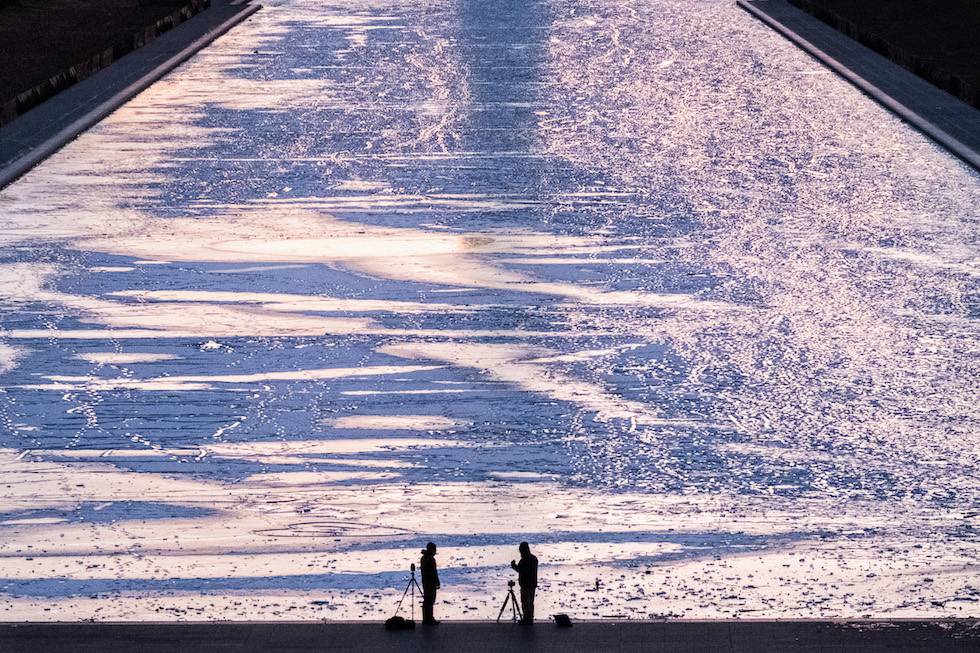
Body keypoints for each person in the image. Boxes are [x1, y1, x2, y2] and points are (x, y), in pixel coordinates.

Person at [510, 541, 538, 624]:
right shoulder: (533, 559)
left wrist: (513, 566)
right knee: (530, 602)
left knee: (525, 602)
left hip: (526, 583)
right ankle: (530, 618)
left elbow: (521, 570)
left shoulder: (525, 560)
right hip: (532, 583)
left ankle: (527, 619)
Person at [420, 542, 440, 624]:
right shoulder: (428, 559)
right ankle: (428, 618)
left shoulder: (426, 558)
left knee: (429, 600)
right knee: (429, 600)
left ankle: (428, 618)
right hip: (429, 582)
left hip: (427, 582)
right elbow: (432, 572)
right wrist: (436, 581)